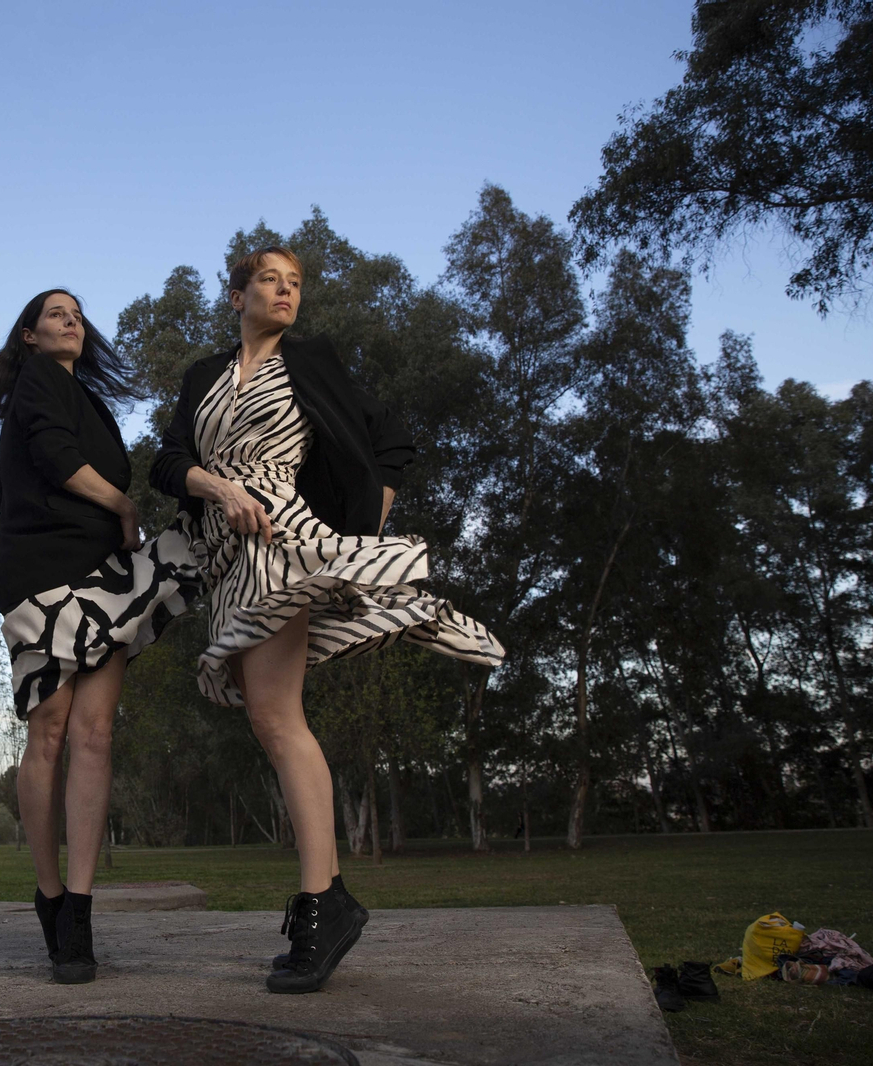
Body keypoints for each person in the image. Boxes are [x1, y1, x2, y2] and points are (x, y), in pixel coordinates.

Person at [150, 247, 504, 994]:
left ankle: (322, 901)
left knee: (279, 718)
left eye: (295, 284)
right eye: (270, 280)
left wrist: (360, 533)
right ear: (238, 294)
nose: (285, 292)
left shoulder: (311, 362)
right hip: (225, 551)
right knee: (269, 719)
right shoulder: (204, 374)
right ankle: (329, 898)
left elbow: (391, 443)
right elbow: (168, 460)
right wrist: (218, 488)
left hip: (281, 537)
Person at [0, 289, 198, 984]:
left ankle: (81, 910)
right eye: (56, 314)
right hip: (43, 576)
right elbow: (51, 460)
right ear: (29, 336)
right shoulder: (37, 381)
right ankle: (50, 893)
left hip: (103, 573)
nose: (72, 321)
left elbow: (6, 479)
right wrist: (122, 504)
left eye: (77, 315)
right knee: (51, 732)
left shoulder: (87, 399)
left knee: (96, 735)